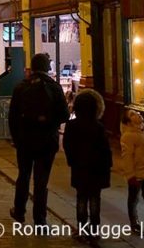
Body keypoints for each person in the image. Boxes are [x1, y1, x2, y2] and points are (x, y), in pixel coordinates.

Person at [7, 53, 69, 226]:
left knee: (24, 175)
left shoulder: (21, 87)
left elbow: (12, 116)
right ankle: (40, 219)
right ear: (47, 67)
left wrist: (16, 138)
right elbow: (64, 115)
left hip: (25, 140)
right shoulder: (54, 87)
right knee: (41, 180)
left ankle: (19, 211)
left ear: (32, 67)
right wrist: (48, 121)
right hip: (47, 141)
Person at [62, 89, 112, 239]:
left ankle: (82, 228)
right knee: (95, 199)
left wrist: (71, 161)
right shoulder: (99, 126)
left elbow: (67, 145)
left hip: (79, 167)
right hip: (97, 169)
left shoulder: (71, 126)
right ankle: (95, 229)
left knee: (81, 198)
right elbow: (105, 149)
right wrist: (107, 166)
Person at [120, 108, 144, 232]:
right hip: (136, 173)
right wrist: (130, 175)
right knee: (133, 198)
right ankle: (134, 222)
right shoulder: (128, 136)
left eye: (136, 113)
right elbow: (127, 158)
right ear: (129, 122)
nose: (137, 114)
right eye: (132, 114)